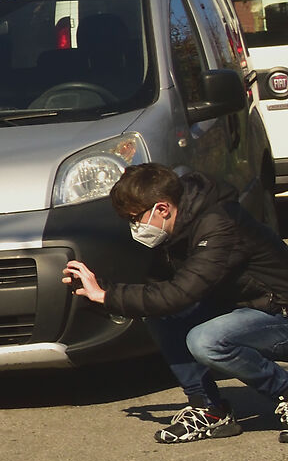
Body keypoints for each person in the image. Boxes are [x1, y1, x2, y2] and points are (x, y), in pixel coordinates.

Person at [61, 163, 288, 444]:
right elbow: (158, 295)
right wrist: (98, 291)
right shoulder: (177, 229)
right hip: (247, 310)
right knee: (162, 317)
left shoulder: (219, 225)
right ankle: (210, 411)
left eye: (135, 218)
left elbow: (178, 294)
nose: (135, 227)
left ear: (162, 208)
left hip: (278, 313)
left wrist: (106, 295)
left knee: (206, 340)